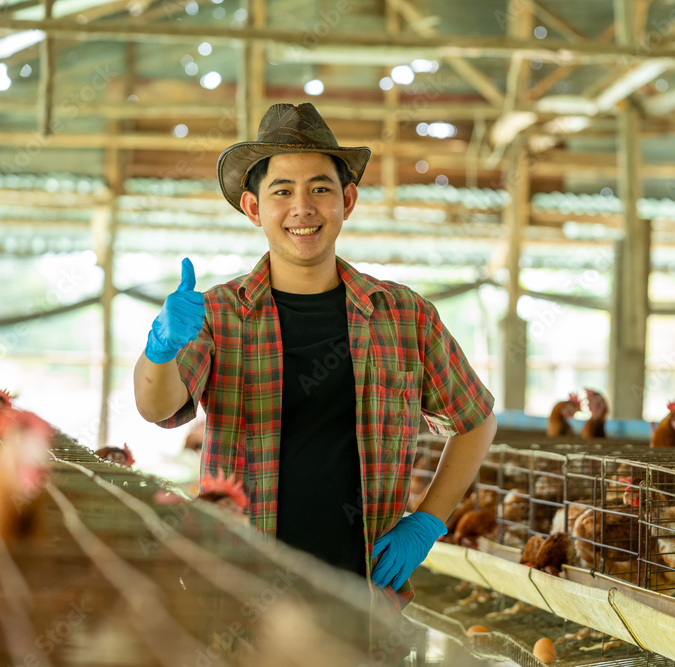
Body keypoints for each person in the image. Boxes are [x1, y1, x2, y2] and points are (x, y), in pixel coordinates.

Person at [132, 103, 496, 613]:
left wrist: (429, 521)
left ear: (347, 200)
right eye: (282, 191)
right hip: (241, 594)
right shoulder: (217, 313)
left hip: (364, 601)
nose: (303, 207)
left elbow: (476, 420)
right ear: (254, 208)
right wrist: (161, 349)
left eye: (320, 188)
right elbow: (157, 407)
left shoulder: (404, 315)